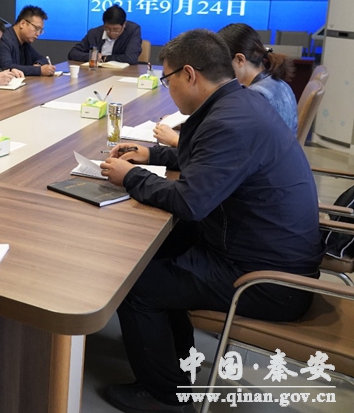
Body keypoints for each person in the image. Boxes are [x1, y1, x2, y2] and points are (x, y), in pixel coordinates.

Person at [99, 29, 322, 413]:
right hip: (258, 249)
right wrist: (150, 155)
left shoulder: (229, 120)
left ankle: (163, 397)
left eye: (167, 79)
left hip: (268, 280)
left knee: (134, 285)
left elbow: (190, 202)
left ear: (189, 74)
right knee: (153, 255)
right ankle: (176, 361)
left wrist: (131, 176)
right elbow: (210, 161)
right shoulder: (237, 102)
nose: (168, 88)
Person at [153, 23, 298, 147]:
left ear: (240, 60)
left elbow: (228, 147)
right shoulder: (278, 83)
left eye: (223, 63)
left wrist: (176, 140)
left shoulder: (255, 97)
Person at [0, 5, 56, 77]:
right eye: (36, 28)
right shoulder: (3, 38)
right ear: (22, 23)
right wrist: (39, 70)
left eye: (40, 30)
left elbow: (42, 59)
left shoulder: (25, 42)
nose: (38, 34)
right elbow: (6, 67)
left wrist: (38, 65)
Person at [68, 5, 142, 65]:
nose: (111, 32)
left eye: (116, 29)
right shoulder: (94, 33)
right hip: (96, 73)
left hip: (121, 73)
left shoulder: (132, 30)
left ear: (124, 24)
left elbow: (131, 58)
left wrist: (104, 58)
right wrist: (92, 56)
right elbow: (73, 53)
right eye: (107, 28)